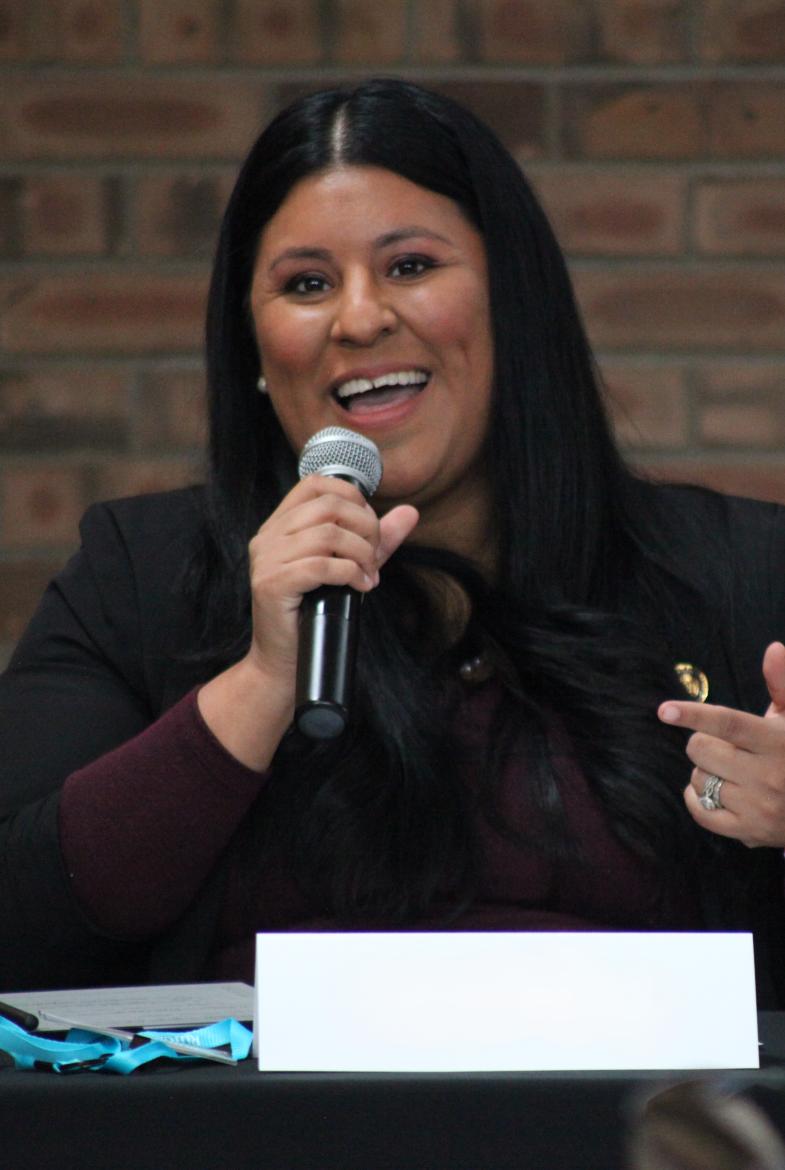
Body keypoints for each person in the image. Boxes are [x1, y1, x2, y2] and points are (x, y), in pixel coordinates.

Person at [1, 78, 785, 996]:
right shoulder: (137, 576)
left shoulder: (733, 571)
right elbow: (21, 928)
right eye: (306, 284)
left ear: (511, 300)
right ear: (252, 346)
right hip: (250, 1137)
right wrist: (259, 683)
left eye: (409, 266)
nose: (360, 317)